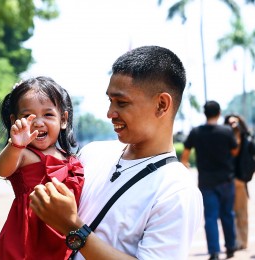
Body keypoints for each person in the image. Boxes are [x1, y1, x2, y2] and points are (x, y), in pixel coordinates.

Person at [29, 45, 203, 260]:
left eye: (122, 102)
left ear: (161, 104)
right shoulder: (92, 154)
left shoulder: (176, 191)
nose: (110, 113)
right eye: (110, 101)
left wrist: (71, 226)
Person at [0, 76, 85, 259]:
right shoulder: (23, 154)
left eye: (48, 114)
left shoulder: (71, 160)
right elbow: (2, 169)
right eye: (28, 116)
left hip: (63, 235)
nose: (38, 122)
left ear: (64, 119)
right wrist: (16, 145)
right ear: (15, 121)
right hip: (27, 241)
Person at [182, 101, 239, 260]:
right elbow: (234, 151)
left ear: (204, 113)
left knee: (210, 217)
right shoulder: (226, 131)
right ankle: (230, 247)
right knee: (228, 214)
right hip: (226, 179)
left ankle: (214, 252)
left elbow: (185, 156)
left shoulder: (196, 132)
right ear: (219, 113)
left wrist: (184, 168)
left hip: (206, 182)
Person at [224, 114, 251, 250]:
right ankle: (233, 241)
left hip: (240, 180)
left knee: (242, 213)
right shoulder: (224, 138)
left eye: (235, 122)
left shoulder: (246, 139)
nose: (233, 125)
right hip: (227, 180)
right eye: (230, 123)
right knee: (229, 213)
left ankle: (242, 241)